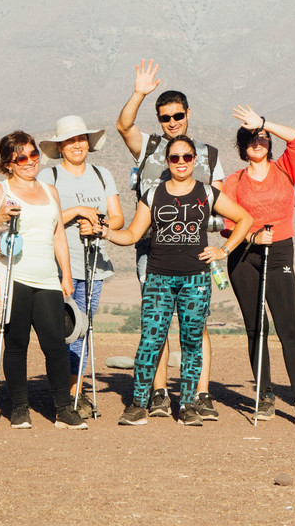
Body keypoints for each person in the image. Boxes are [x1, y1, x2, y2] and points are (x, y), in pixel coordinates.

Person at [110, 135, 252, 426]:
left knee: (191, 342)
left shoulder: (208, 193)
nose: (181, 163)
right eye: (175, 158)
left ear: (194, 160)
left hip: (196, 279)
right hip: (158, 278)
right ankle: (139, 403)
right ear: (166, 161)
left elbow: (245, 219)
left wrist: (223, 250)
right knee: (150, 340)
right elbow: (132, 235)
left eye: (187, 157)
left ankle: (187, 405)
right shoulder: (152, 195)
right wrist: (104, 233)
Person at [114, 59, 226, 420]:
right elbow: (123, 125)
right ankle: (157, 393)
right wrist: (139, 93)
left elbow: (221, 206)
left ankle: (197, 395)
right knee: (155, 326)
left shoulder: (207, 155)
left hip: (195, 256)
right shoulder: (148, 147)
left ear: (188, 114)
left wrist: (218, 245)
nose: (172, 122)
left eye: (177, 115)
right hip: (151, 251)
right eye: (165, 117)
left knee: (196, 327)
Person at [0, 131, 87, 430]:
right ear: (8, 163)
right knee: (17, 343)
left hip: (47, 278)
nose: (30, 161)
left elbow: (59, 233)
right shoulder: (0, 190)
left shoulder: (50, 191)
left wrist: (67, 275)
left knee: (56, 344)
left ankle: (64, 410)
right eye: (21, 157)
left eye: (33, 154)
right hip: (14, 278)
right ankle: (19, 408)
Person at [222, 105, 295, 426]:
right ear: (241, 148)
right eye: (250, 138)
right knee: (256, 328)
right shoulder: (233, 182)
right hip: (244, 257)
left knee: (289, 329)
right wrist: (251, 238)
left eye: (262, 137)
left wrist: (263, 122)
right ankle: (264, 396)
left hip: (279, 254)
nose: (258, 141)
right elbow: (227, 225)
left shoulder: (286, 170)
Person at [38, 115, 124, 416]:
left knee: (83, 330)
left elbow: (117, 218)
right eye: (70, 140)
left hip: (94, 266)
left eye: (81, 139)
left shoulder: (103, 175)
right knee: (63, 330)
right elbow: (43, 219)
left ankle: (73, 394)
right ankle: (66, 393)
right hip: (59, 268)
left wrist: (99, 227)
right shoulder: (50, 178)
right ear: (60, 146)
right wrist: (76, 211)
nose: (77, 145)